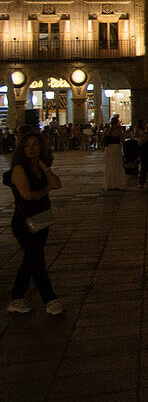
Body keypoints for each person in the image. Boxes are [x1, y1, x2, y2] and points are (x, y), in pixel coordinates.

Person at [3, 132, 63, 315]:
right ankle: (50, 299)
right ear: (22, 148)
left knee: (30, 260)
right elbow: (27, 195)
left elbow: (57, 184)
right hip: (24, 223)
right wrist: (46, 190)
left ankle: (17, 297)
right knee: (37, 261)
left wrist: (45, 168)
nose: (31, 148)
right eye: (27, 145)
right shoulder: (19, 169)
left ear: (41, 148)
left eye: (35, 145)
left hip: (41, 220)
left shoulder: (39, 167)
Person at [102, 115, 126, 190]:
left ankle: (109, 184)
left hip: (109, 149)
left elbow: (103, 138)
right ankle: (116, 183)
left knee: (109, 166)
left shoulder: (107, 130)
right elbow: (122, 140)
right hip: (116, 148)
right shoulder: (118, 131)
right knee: (117, 165)